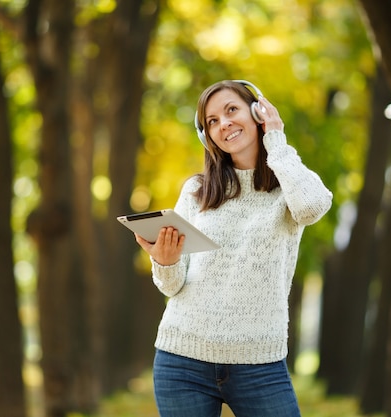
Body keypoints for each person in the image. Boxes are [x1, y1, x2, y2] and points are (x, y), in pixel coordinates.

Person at [134, 80, 333, 417]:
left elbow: (313, 207)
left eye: (231, 110)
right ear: (207, 135)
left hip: (259, 364)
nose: (223, 123)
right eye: (212, 120)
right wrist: (165, 263)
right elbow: (172, 286)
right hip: (182, 359)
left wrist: (276, 138)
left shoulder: (289, 186)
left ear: (258, 112)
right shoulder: (197, 190)